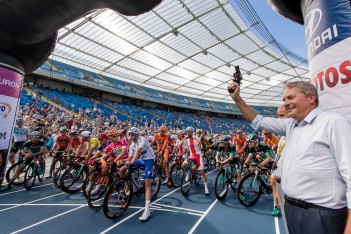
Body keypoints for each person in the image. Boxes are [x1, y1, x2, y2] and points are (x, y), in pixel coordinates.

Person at [228, 80, 351, 234]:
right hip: (292, 210)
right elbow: (257, 120)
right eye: (284, 99)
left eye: (291, 98)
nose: (285, 103)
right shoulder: (291, 125)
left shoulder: (333, 123)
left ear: (311, 97)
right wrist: (237, 98)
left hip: (322, 215)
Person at [126, 127, 155, 221]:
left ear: (137, 134)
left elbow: (138, 152)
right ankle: (132, 183)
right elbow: (130, 156)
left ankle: (147, 209)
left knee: (147, 184)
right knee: (124, 168)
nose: (131, 136)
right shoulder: (132, 144)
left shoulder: (142, 139)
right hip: (141, 160)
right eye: (130, 134)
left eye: (132, 134)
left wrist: (131, 162)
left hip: (149, 160)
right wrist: (125, 162)